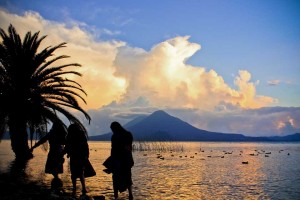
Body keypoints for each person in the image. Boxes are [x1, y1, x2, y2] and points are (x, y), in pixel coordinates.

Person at [65, 123, 95, 196]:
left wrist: (67, 153)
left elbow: (67, 146)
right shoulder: (80, 134)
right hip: (80, 156)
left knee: (74, 173)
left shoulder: (70, 135)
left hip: (75, 156)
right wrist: (86, 155)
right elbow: (85, 145)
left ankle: (75, 188)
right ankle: (83, 188)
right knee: (80, 172)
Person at [110, 121, 134, 200]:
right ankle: (130, 195)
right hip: (127, 159)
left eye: (112, 129)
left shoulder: (114, 136)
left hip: (119, 160)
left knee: (116, 178)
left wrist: (112, 160)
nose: (112, 131)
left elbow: (113, 149)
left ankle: (116, 196)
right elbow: (129, 147)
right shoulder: (128, 134)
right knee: (127, 176)